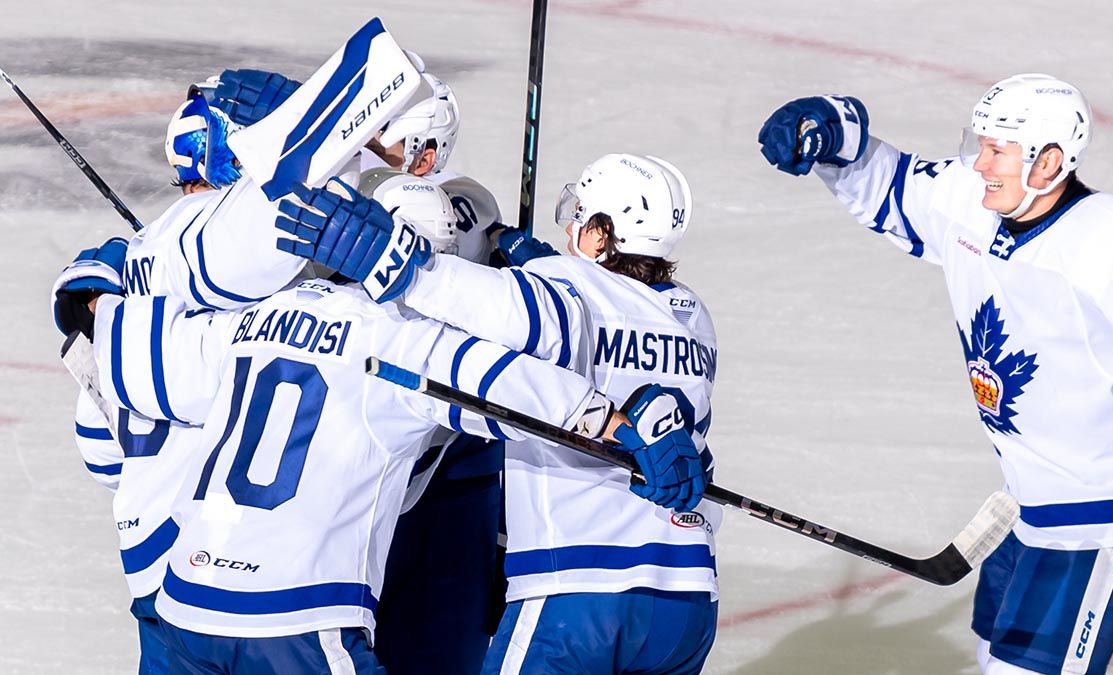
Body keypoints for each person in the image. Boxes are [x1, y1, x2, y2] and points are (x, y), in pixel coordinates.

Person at [53, 203, 704, 673]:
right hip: (296, 625)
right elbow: (513, 387)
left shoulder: (248, 320)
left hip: (184, 615)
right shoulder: (399, 341)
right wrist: (623, 432)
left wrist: (101, 289)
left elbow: (113, 355)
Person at [758, 73, 1113, 674]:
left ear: (1049, 163)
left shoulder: (1110, 242)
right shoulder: (974, 203)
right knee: (993, 650)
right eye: (979, 143)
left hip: (1100, 513)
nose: (978, 163)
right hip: (1029, 499)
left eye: (997, 151)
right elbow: (892, 184)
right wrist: (829, 129)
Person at [278, 152, 721, 674]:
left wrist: (384, 254)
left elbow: (481, 303)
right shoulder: (694, 317)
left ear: (602, 236)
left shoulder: (564, 290)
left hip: (580, 592)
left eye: (581, 215)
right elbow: (621, 318)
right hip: (688, 598)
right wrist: (536, 269)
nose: (571, 226)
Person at [213, 64, 517, 672]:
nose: (364, 145)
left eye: (381, 136)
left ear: (427, 151)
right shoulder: (361, 190)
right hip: (349, 477)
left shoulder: (457, 208)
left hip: (442, 486)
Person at [54, 91, 260, 674]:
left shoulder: (129, 276)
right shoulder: (260, 268)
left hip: (148, 560)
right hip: (236, 565)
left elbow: (99, 454)